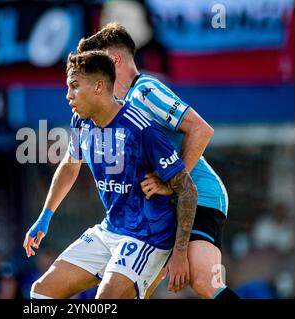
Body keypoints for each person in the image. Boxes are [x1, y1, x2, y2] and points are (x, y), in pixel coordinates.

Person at [77, 22, 240, 299]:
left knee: (203, 280)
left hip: (201, 197)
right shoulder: (120, 106)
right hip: (165, 206)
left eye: (97, 65)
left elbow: (201, 130)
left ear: (114, 60)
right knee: (131, 290)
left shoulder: (145, 90)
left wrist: (171, 182)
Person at [23, 51, 198, 299]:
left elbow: (188, 190)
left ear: (98, 86)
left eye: (74, 86)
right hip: (110, 230)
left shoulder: (141, 129)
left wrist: (179, 254)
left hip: (147, 236)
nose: (68, 95)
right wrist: (45, 217)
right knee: (41, 293)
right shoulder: (81, 121)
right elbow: (70, 165)